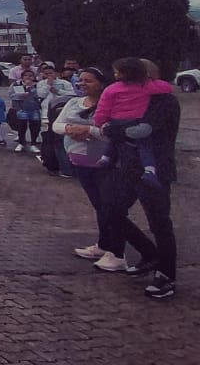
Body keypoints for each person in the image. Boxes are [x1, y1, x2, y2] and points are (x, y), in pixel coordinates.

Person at [99, 59, 180, 299]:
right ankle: (149, 252)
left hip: (154, 168)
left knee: (159, 223)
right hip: (127, 167)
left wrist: (110, 129)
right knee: (111, 209)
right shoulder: (127, 98)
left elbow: (144, 129)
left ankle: (166, 275)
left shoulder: (164, 101)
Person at [53, 67, 119, 268]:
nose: (82, 84)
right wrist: (70, 129)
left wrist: (89, 130)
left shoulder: (110, 104)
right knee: (98, 205)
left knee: (110, 206)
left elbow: (114, 132)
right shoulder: (74, 102)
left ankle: (116, 250)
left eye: (88, 81)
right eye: (80, 80)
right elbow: (56, 125)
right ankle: (103, 243)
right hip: (81, 161)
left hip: (105, 162)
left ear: (100, 83)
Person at [91, 57, 172, 186]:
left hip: (116, 120)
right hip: (136, 120)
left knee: (114, 139)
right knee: (144, 145)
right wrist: (151, 81)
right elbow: (166, 87)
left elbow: (103, 108)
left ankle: (105, 158)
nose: (114, 74)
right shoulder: (146, 86)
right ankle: (149, 170)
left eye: (116, 72)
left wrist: (99, 122)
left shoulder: (111, 89)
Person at [10, 70, 42, 154]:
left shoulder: (37, 85)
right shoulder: (16, 84)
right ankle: (21, 143)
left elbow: (40, 95)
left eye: (30, 75)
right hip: (21, 109)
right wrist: (20, 95)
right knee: (21, 126)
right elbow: (11, 95)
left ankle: (33, 143)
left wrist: (31, 88)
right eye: (26, 75)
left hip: (34, 108)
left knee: (34, 126)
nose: (28, 77)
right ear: (22, 77)